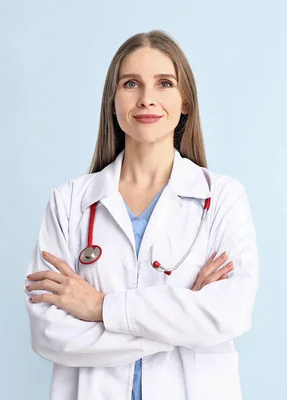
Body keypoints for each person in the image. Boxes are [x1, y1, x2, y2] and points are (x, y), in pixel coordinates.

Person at [23, 30, 259, 400]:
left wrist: (100, 307)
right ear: (113, 101)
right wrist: (179, 322)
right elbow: (50, 334)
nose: (147, 99)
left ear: (185, 102)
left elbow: (229, 314)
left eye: (164, 83)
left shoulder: (222, 197)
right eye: (131, 84)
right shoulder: (69, 202)